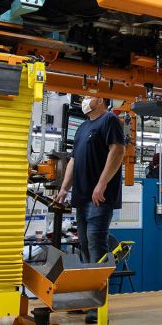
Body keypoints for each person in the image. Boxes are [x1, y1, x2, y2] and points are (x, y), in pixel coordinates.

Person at [55, 95, 127, 268]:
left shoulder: (109, 119)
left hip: (99, 197)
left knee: (96, 245)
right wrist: (64, 189)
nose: (84, 100)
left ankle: (99, 291)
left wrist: (101, 185)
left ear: (101, 100)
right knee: (85, 244)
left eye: (89, 96)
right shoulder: (82, 127)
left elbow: (118, 150)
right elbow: (73, 160)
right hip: (81, 196)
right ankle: (90, 289)